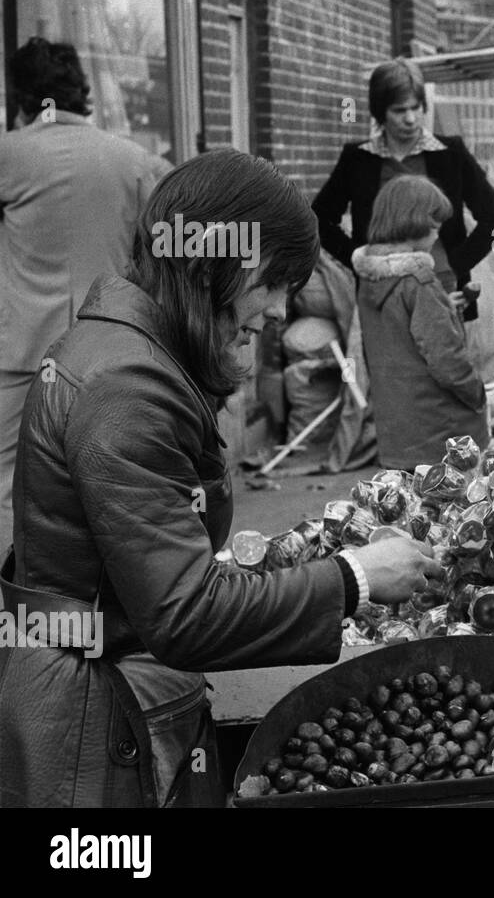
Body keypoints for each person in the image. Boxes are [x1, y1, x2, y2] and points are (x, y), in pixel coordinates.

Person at [0, 150, 437, 807]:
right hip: (95, 737)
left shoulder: (129, 356)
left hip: (104, 707)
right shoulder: (128, 386)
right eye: (274, 283)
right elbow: (184, 611)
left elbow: (148, 565)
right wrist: (355, 576)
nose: (280, 311)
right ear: (214, 266)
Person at [0, 37, 171, 550]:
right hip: (106, 354)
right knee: (110, 477)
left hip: (22, 352)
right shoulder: (135, 159)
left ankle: (15, 600)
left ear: (22, 96)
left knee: (9, 479)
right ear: (82, 91)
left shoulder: (9, 153)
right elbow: (168, 255)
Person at [311, 58, 494, 320]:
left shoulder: (451, 153)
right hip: (380, 294)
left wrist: (457, 265)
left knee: (444, 358)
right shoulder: (358, 158)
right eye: (399, 110)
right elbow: (318, 218)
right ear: (380, 112)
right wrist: (355, 258)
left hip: (442, 291)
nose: (411, 119)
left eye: (416, 107)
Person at [354, 174, 487, 470]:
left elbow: (395, 332)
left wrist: (444, 308)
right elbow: (447, 360)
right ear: (416, 222)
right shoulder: (420, 282)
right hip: (442, 432)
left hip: (396, 429)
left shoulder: (369, 278)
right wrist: (477, 392)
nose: (437, 236)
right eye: (436, 227)